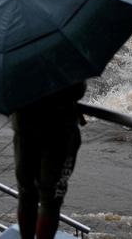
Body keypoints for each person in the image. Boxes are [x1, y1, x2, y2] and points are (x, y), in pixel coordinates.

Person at [11, 81, 87, 239]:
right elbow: (77, 90)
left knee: (26, 193)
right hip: (59, 131)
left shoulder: (16, 61)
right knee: (50, 200)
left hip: (23, 125)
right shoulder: (62, 60)